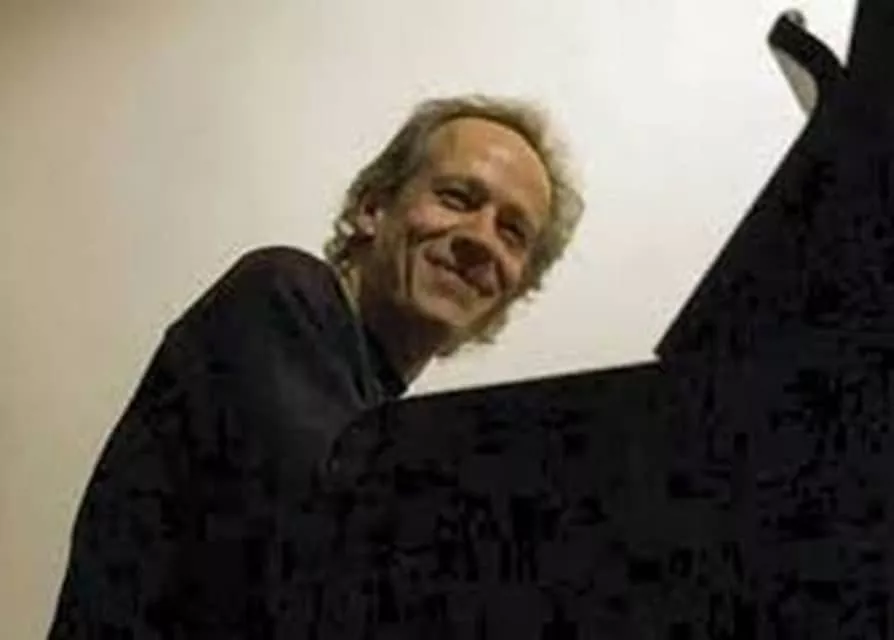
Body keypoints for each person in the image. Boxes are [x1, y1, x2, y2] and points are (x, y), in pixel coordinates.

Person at [47, 94, 583, 638]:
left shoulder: (378, 415)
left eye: (512, 232)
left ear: (511, 292)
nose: (480, 238)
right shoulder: (278, 295)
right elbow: (335, 543)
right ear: (372, 208)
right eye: (456, 198)